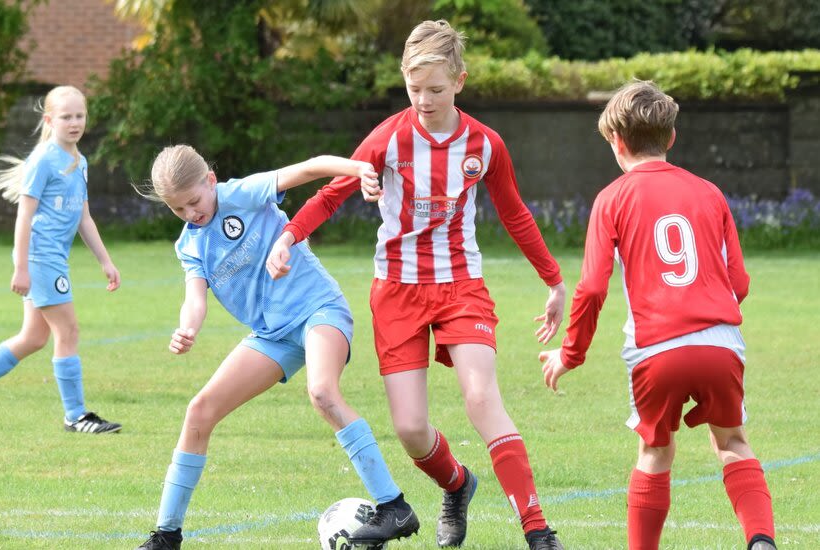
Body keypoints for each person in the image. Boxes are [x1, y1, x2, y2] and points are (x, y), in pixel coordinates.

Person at [267, 20, 566, 549]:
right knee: (410, 429)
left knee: (481, 397)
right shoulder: (389, 137)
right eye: (414, 89)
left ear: (460, 81)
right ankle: (458, 484)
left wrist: (553, 280)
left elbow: (515, 212)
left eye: (436, 89)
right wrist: (289, 235)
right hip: (397, 291)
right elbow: (334, 193)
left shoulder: (485, 144)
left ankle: (538, 530)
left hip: (460, 285)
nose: (424, 100)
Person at [132, 145, 420, 550]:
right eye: (177, 210)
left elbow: (308, 167)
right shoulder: (190, 245)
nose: (190, 214)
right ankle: (166, 534)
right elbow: (195, 297)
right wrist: (187, 328)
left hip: (319, 310)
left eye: (194, 202)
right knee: (199, 412)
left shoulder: (242, 194)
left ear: (210, 181)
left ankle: (394, 506)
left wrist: (357, 168)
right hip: (272, 335)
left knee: (322, 392)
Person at [538, 80, 776, 550]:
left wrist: (570, 355)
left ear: (615, 141)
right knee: (732, 442)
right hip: (720, 342)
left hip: (657, 347)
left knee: (654, 451)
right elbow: (740, 283)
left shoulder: (611, 199)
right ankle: (761, 541)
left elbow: (590, 288)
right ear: (671, 138)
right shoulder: (709, 192)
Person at [0, 85, 122, 434]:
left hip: (53, 259)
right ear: (49, 120)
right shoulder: (43, 160)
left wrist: (105, 261)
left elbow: (84, 217)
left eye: (80, 116)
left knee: (33, 338)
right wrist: (21, 267)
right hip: (41, 260)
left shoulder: (80, 162)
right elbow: (24, 216)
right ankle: (76, 416)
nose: (74, 123)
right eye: (66, 116)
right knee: (68, 331)